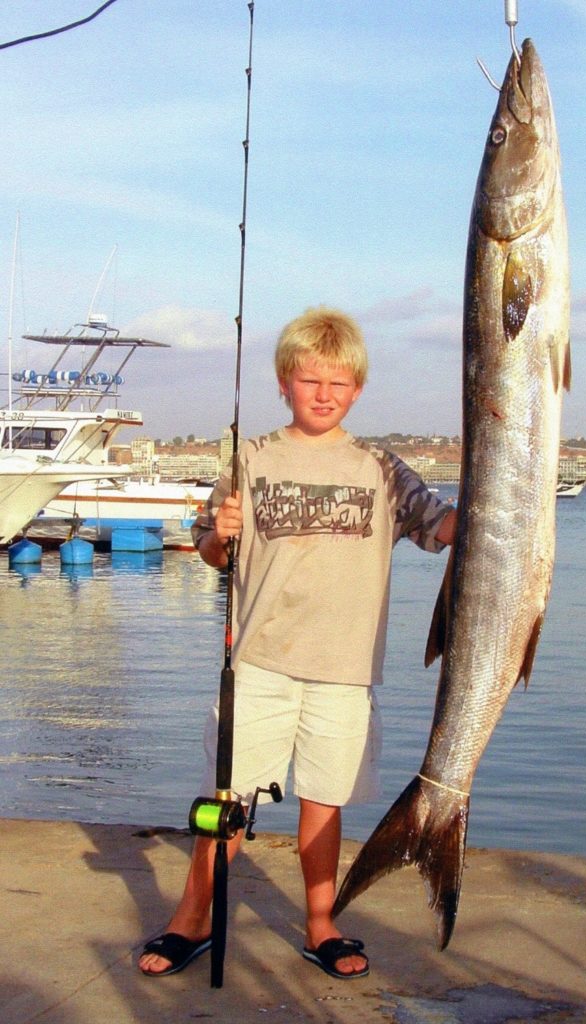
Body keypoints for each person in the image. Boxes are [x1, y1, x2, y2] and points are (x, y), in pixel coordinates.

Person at [138, 306, 456, 981]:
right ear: (284, 382)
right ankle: (189, 919)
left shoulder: (380, 466)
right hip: (258, 665)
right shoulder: (249, 460)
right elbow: (210, 554)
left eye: (337, 384)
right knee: (226, 801)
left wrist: (504, 487)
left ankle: (321, 923)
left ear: (357, 390)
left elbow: (443, 528)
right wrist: (219, 534)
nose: (323, 394)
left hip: (344, 672)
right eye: (310, 380)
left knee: (324, 797)